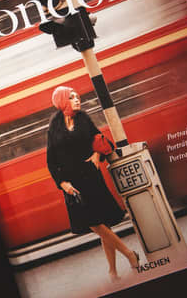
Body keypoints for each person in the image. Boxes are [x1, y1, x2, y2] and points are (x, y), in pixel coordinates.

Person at [47, 85, 139, 281]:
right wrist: (62, 183)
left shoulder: (83, 119)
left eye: (77, 96)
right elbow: (51, 159)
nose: (77, 100)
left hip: (91, 178)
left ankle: (113, 272)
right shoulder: (54, 126)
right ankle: (130, 254)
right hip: (73, 185)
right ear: (63, 101)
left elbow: (99, 138)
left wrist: (97, 154)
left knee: (101, 224)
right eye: (72, 97)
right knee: (95, 224)